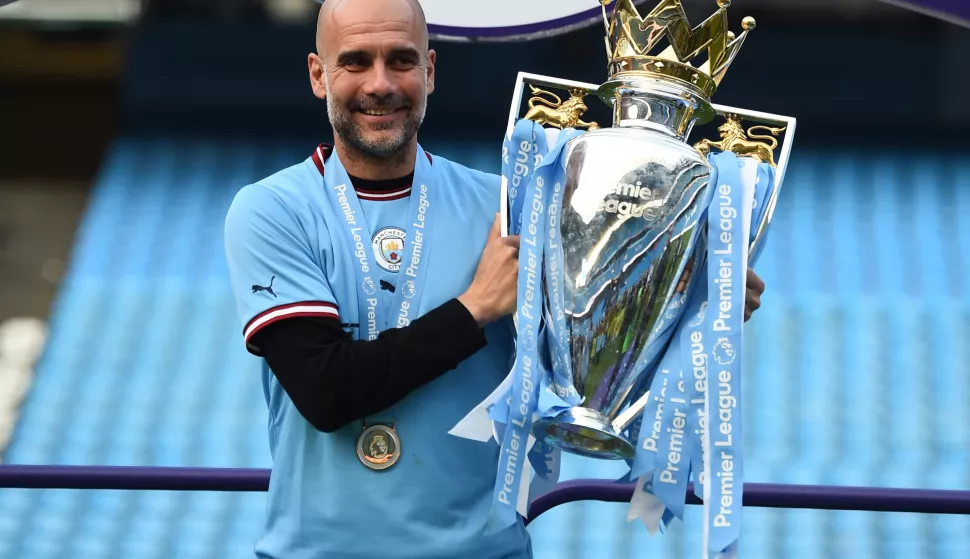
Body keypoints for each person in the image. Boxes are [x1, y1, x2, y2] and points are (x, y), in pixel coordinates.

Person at [223, 0, 766, 557]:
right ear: (319, 74)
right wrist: (474, 308)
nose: (380, 83)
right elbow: (326, 391)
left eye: (402, 61)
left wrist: (687, 304)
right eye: (356, 62)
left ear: (430, 71)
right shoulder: (272, 210)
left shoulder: (509, 205)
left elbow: (580, 375)